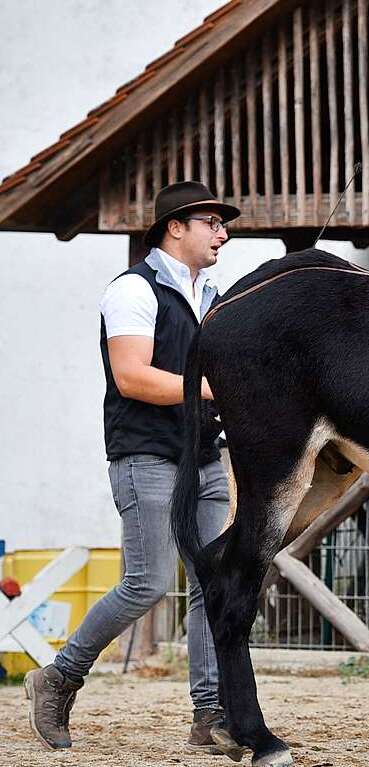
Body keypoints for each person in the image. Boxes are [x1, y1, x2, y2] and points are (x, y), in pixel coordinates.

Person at [25, 181, 240, 753]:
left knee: (212, 582)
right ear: (176, 227)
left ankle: (210, 715)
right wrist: (215, 386)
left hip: (203, 456)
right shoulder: (132, 290)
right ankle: (58, 677)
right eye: (212, 222)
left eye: (224, 225)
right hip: (145, 452)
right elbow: (132, 377)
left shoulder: (212, 296)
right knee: (145, 583)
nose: (223, 233)